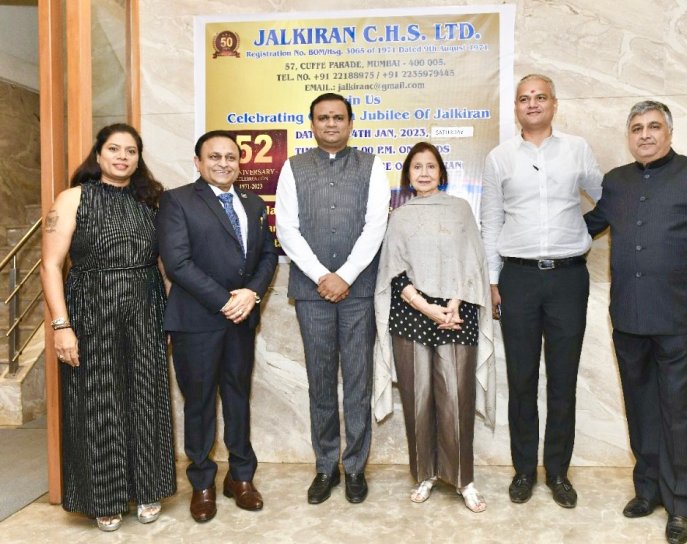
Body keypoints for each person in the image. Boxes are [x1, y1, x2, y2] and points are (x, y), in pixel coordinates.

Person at [585, 101, 687, 544]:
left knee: (678, 411)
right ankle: (647, 490)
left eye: (653, 127)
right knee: (639, 406)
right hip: (627, 314)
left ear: (669, 133)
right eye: (636, 128)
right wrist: (535, 237)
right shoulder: (616, 182)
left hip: (676, 314)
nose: (645, 134)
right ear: (628, 136)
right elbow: (588, 227)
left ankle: (682, 505)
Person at [40, 123, 176, 532]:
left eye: (130, 151)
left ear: (138, 157)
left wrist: (168, 314)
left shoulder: (151, 200)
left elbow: (164, 264)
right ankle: (105, 497)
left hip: (146, 305)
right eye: (114, 149)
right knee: (97, 401)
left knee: (146, 395)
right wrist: (61, 326)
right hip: (90, 307)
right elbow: (49, 265)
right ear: (98, 155)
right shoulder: (72, 198)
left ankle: (148, 489)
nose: (122, 157)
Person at [480, 74, 603, 508]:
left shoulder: (578, 150)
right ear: (516, 107)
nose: (532, 104)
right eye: (524, 98)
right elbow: (491, 221)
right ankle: (523, 472)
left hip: (569, 278)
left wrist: (580, 232)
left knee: (563, 380)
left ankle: (559, 473)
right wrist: (492, 280)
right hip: (518, 279)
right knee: (522, 379)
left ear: (554, 103)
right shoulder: (499, 158)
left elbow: (609, 198)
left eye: (540, 97)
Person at [275, 93, 390, 504]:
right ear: (312, 124)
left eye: (338, 118)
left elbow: (377, 224)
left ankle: (356, 467)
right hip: (311, 293)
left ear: (350, 122)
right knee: (320, 382)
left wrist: (344, 276)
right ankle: (326, 467)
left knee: (358, 381)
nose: (330, 124)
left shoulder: (372, 166)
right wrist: (323, 276)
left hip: (358, 292)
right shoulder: (293, 167)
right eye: (322, 118)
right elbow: (286, 229)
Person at [157, 130, 278, 523]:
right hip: (197, 322)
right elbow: (177, 263)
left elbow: (267, 257)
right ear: (198, 162)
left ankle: (241, 477)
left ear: (240, 163)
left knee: (238, 398)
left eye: (230, 157)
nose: (223, 163)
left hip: (241, 321)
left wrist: (251, 295)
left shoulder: (253, 202)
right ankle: (203, 482)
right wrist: (226, 299)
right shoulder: (177, 200)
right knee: (200, 404)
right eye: (214, 157)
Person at [373, 142, 495, 513]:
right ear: (408, 176)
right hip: (412, 316)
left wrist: (453, 303)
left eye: (430, 166)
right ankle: (424, 473)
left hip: (459, 314)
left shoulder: (460, 211)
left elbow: (473, 264)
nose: (424, 173)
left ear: (442, 173)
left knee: (457, 398)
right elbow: (393, 272)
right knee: (418, 397)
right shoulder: (400, 216)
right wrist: (427, 307)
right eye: (416, 167)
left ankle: (463, 478)